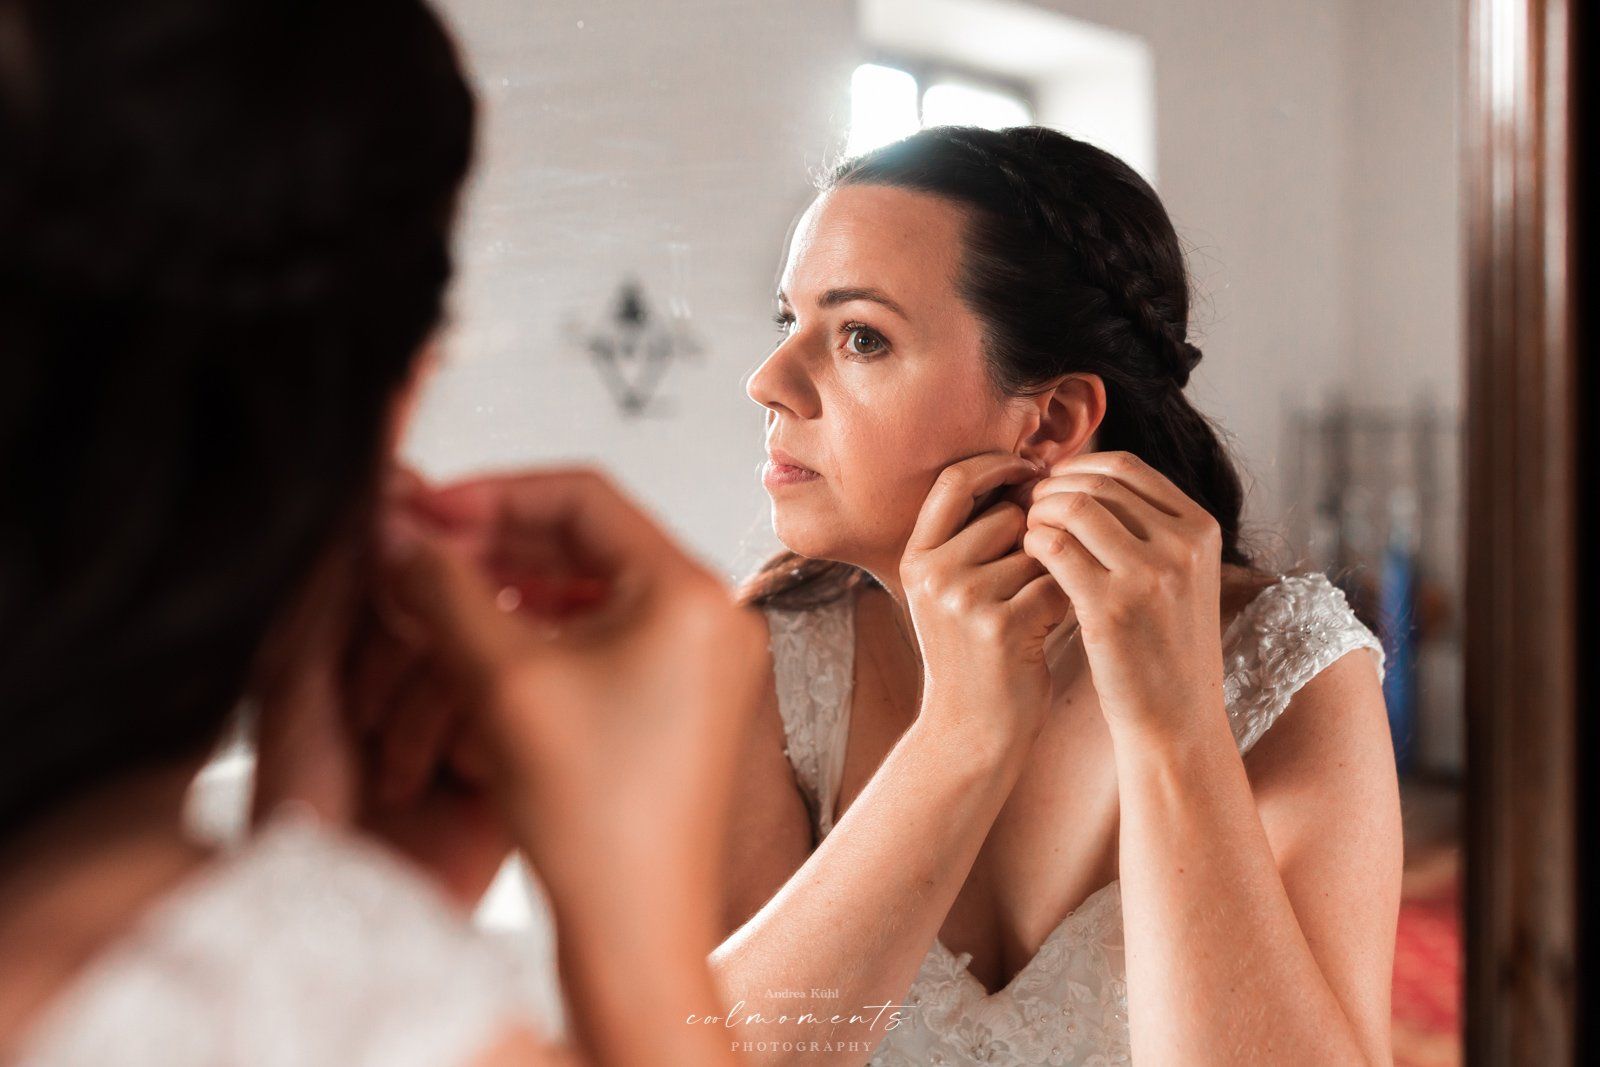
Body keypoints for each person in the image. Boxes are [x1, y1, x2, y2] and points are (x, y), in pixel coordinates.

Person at [0, 2, 762, 1065]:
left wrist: (329, 892)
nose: (770, 381)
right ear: (382, 409)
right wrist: (638, 926)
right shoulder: (321, 1010)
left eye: (860, 331)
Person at [714, 125, 1403, 1065]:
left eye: (860, 336)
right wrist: (960, 734)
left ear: (1054, 420)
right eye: (786, 323)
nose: (769, 382)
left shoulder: (1290, 665)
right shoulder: (769, 655)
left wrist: (1177, 726)